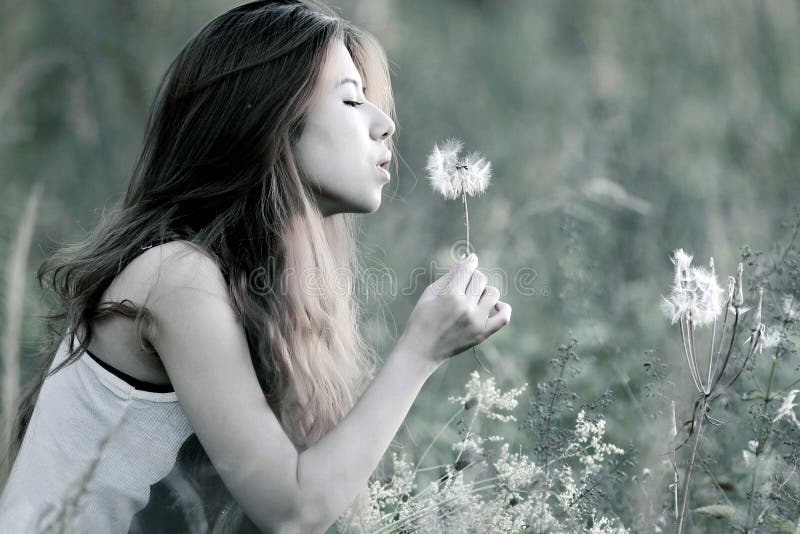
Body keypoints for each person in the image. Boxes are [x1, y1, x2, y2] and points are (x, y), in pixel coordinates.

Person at [0, 0, 512, 532]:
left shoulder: (250, 289)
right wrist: (421, 349)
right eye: (352, 101)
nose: (385, 125)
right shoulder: (176, 278)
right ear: (272, 119)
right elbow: (292, 510)